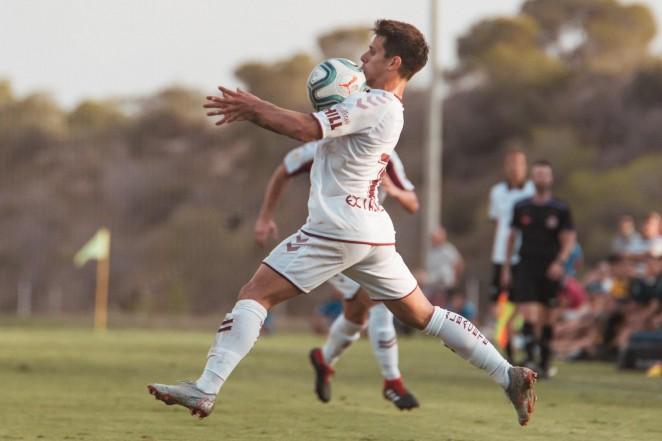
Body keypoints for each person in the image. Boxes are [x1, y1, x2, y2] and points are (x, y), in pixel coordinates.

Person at [148, 19, 537, 427]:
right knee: (424, 315)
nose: (364, 56)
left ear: (394, 62)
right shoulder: (374, 103)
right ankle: (506, 373)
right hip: (372, 233)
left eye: (373, 51)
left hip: (337, 227)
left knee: (256, 294)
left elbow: (304, 128)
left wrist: (253, 107)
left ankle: (206, 387)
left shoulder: (376, 105)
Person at [254, 139, 420, 410]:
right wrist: (265, 216)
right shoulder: (327, 144)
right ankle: (393, 381)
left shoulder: (387, 153)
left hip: (367, 242)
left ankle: (324, 359)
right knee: (379, 302)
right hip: (330, 240)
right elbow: (284, 169)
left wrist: (396, 192)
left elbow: (413, 203)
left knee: (356, 314)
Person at [501, 160, 576, 379]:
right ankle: (530, 360)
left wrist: (560, 262)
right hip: (526, 265)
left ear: (550, 178)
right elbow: (511, 237)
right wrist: (506, 267)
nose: (541, 178)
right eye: (537, 174)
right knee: (529, 316)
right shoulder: (522, 206)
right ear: (533, 178)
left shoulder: (560, 209)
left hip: (550, 268)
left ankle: (544, 362)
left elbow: (569, 240)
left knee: (548, 319)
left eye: (545, 174)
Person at [487, 147, 535, 360]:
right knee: (498, 307)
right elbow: (498, 223)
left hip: (524, 257)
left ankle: (529, 351)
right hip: (500, 256)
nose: (515, 168)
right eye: (512, 164)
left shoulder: (532, 191)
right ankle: (508, 355)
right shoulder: (497, 192)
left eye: (519, 164)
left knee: (524, 306)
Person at [421, 226, 464, 306]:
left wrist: (456, 279)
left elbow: (458, 264)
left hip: (445, 283)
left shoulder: (448, 249)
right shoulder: (430, 252)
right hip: (433, 283)